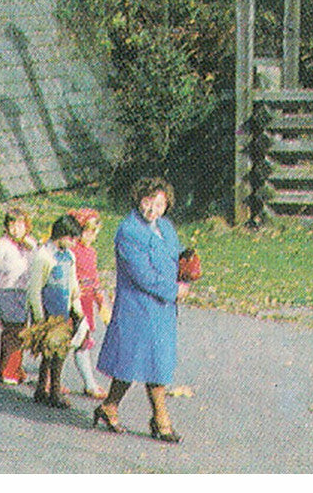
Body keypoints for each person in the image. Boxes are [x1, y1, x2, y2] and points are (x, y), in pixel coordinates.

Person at [94, 177, 187, 442]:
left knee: (141, 362)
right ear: (138, 200)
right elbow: (142, 274)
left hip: (161, 309)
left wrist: (187, 268)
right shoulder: (129, 231)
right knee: (144, 363)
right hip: (138, 307)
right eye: (148, 202)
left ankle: (109, 406)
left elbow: (177, 255)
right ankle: (161, 420)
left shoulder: (165, 227)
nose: (152, 209)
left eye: (159, 204)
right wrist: (173, 290)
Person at [25, 214, 85, 409]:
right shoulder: (44, 256)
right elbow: (35, 289)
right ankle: (53, 392)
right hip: (48, 313)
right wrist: (39, 318)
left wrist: (77, 310)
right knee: (53, 354)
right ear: (62, 235)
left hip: (63, 311)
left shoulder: (69, 256)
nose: (75, 243)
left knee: (56, 353)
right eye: (72, 238)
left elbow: (73, 284)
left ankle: (43, 388)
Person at [0, 207, 37, 386]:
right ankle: (8, 371)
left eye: (19, 225)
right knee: (13, 332)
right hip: (8, 293)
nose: (15, 229)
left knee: (21, 333)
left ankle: (14, 367)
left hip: (24, 294)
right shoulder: (2, 245)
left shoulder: (31, 243)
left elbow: (38, 266)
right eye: (11, 225)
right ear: (6, 227)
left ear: (26, 226)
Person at [68, 207, 109, 400]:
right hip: (72, 302)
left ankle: (89, 383)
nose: (92, 236)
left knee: (82, 342)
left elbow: (94, 280)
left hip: (86, 303)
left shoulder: (91, 253)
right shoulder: (71, 251)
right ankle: (49, 379)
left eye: (95, 232)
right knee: (67, 340)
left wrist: (101, 302)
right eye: (88, 231)